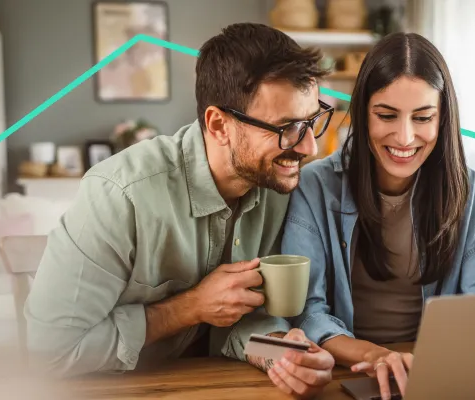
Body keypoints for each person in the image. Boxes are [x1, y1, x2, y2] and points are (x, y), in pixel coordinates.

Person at [24, 22, 335, 399]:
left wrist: (283, 355)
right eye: (287, 128)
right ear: (219, 124)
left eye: (312, 121)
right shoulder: (120, 195)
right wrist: (190, 308)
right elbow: (49, 351)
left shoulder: (277, 186)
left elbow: (240, 322)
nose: (309, 149)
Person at [279, 32, 475, 399]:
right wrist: (375, 354)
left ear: (442, 120)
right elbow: (307, 312)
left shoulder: (464, 189)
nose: (405, 137)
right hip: (348, 371)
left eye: (423, 117)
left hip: (433, 374)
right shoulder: (315, 186)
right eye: (387, 115)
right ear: (362, 114)